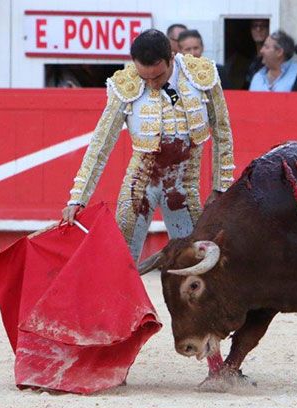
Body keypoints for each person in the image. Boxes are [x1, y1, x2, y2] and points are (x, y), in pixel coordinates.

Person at [62, 29, 235, 263]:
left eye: (159, 77)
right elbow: (100, 144)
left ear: (172, 58)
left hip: (184, 185)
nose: (152, 84)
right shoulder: (126, 84)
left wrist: (221, 188)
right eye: (145, 78)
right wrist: (77, 198)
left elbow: (222, 130)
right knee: (121, 260)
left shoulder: (201, 76)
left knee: (193, 262)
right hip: (139, 183)